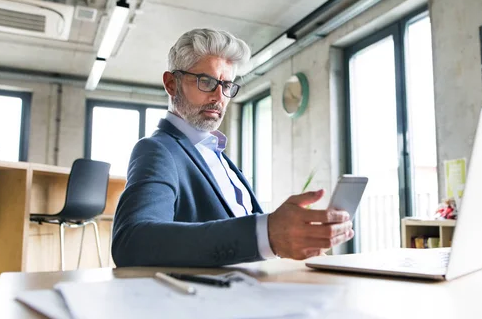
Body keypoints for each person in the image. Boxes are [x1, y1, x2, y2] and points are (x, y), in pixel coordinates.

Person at [112, 28, 354, 267]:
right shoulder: (158, 150)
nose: (219, 96)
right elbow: (132, 241)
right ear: (172, 84)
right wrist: (267, 235)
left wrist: (288, 247)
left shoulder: (217, 155)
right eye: (206, 81)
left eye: (226, 85)